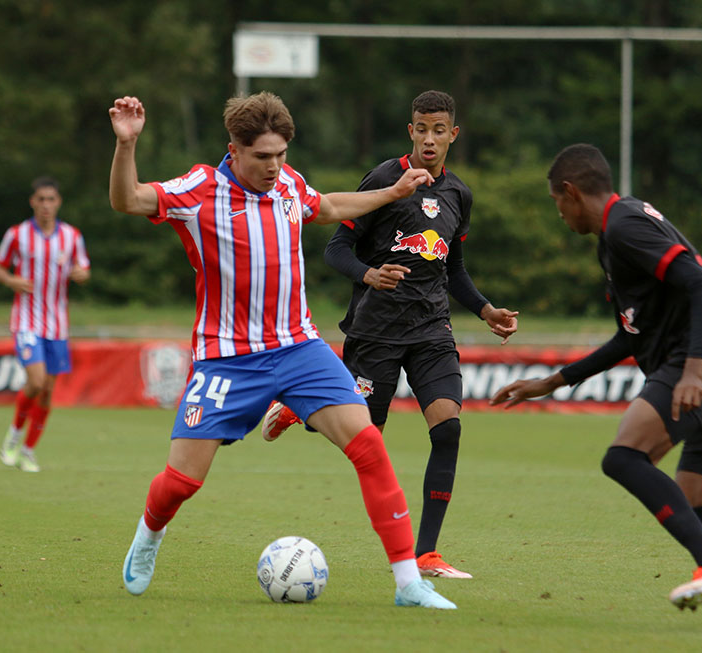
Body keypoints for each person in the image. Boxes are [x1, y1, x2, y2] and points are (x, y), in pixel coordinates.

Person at [108, 91, 458, 609]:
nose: (275, 167)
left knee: (369, 447)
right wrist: (126, 146)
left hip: (299, 349)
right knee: (181, 481)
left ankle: (408, 582)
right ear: (235, 149)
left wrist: (392, 192)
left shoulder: (289, 183)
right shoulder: (201, 189)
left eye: (281, 155)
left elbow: (330, 206)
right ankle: (149, 536)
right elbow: (128, 200)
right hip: (227, 358)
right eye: (263, 157)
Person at [490, 143, 702, 631]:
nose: (559, 214)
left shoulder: (624, 226)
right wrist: (552, 382)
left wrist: (695, 370)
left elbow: (701, 285)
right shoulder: (620, 232)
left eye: (557, 202)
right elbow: (629, 336)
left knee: (622, 457)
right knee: (692, 508)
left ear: (571, 193)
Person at [262, 90, 518, 580]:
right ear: (411, 131)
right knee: (364, 436)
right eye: (421, 129)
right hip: (376, 330)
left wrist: (486, 309)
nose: (429, 139)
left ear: (452, 135)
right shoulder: (385, 180)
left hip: (431, 330)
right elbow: (336, 249)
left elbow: (454, 267)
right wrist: (368, 274)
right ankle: (304, 406)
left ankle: (427, 554)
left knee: (448, 428)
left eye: (439, 130)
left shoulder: (459, 195)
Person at [0, 177, 91, 473]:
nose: (46, 205)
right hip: (26, 320)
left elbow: (84, 269)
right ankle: (12, 435)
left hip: (57, 324)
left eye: (51, 199)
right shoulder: (17, 234)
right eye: (41, 199)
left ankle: (28, 449)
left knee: (47, 391)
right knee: (35, 382)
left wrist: (80, 274)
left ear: (58, 202)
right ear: (32, 202)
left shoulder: (72, 236)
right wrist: (12, 280)